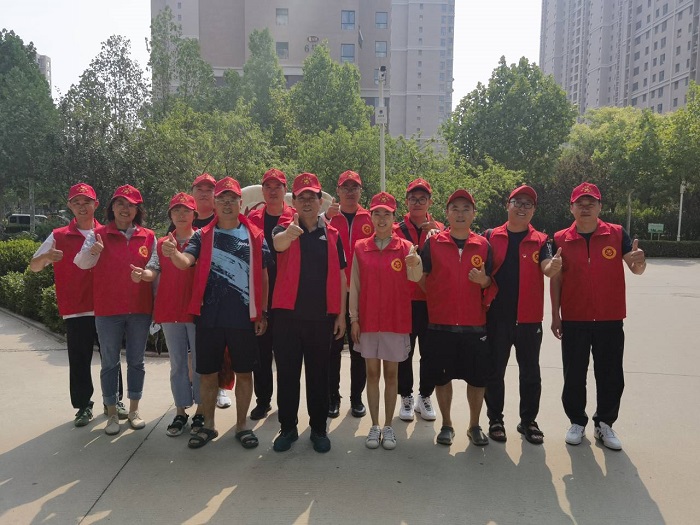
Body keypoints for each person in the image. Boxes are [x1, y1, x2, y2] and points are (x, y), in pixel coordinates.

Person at [164, 177, 269, 449]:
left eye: (232, 199)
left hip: (243, 317)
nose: (226, 203)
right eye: (222, 199)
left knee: (244, 373)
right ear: (215, 203)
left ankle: (242, 426)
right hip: (209, 317)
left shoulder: (254, 235)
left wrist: (263, 312)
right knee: (208, 374)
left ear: (240, 203)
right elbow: (186, 261)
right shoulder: (202, 235)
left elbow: (263, 274)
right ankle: (208, 425)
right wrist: (174, 254)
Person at [550, 182, 646, 451]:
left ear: (600, 207)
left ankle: (605, 423)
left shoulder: (616, 233)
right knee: (574, 374)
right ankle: (576, 421)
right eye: (580, 203)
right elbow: (556, 279)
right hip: (574, 318)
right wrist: (555, 315)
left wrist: (640, 261)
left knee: (610, 374)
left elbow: (636, 268)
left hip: (609, 318)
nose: (585, 208)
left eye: (591, 203)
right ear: (571, 208)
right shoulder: (560, 238)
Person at [30, 183, 125, 426]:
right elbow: (34, 266)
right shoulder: (59, 235)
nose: (82, 207)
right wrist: (46, 256)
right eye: (77, 203)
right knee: (80, 359)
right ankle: (83, 406)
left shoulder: (108, 232)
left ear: (96, 204)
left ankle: (114, 401)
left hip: (107, 306)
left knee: (111, 357)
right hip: (76, 308)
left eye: (87, 202)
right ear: (70, 206)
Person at [271, 173, 346, 453]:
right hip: (287, 318)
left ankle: (318, 429)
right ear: (293, 202)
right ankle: (288, 428)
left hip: (320, 318)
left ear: (319, 201)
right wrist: (289, 235)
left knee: (319, 376)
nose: (306, 202)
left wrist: (340, 315)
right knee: (287, 376)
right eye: (301, 197)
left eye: (311, 197)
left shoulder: (332, 235)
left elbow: (341, 276)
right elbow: (277, 244)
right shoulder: (283, 228)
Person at [74, 185, 156, 436]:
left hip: (140, 310)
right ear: (112, 207)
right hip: (108, 311)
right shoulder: (98, 234)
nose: (125, 209)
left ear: (137, 210)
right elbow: (81, 263)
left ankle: (134, 410)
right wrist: (93, 251)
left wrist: (145, 275)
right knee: (109, 362)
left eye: (131, 205)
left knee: (136, 361)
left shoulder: (148, 236)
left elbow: (155, 269)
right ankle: (111, 412)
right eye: (120, 203)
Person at [483, 185, 561, 445]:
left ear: (534, 210)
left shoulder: (542, 240)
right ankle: (495, 419)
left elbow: (547, 266)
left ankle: (528, 421)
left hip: (529, 319)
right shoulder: (490, 236)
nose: (522, 208)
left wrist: (553, 266)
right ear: (508, 205)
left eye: (528, 204)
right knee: (494, 370)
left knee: (530, 373)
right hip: (497, 317)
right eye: (518, 202)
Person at [420, 189, 496, 447]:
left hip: (475, 325)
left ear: (474, 214)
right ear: (447, 213)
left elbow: (491, 282)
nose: (460, 214)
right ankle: (447, 424)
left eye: (466, 209)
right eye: (455, 209)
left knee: (477, 380)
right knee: (442, 378)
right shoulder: (433, 243)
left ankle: (474, 425)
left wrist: (483, 280)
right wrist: (437, 297)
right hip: (440, 324)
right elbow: (422, 277)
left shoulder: (483, 245)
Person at [349, 192, 423, 450]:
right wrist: (354, 319)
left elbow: (415, 278)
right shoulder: (360, 247)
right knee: (372, 373)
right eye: (377, 213)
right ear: (370, 216)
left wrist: (415, 262)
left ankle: (389, 426)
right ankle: (374, 425)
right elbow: (355, 286)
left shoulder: (405, 247)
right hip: (369, 321)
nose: (381, 219)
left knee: (392, 375)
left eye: (387, 214)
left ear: (394, 217)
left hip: (395, 321)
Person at [131, 192, 204, 437]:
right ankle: (181, 411)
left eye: (186, 210)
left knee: (201, 364)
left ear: (194, 214)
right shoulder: (161, 242)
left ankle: (201, 410)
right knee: (177, 364)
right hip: (170, 309)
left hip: (197, 310)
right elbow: (153, 268)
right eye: (176, 211)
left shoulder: (203, 239)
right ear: (171, 215)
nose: (181, 215)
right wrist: (143, 275)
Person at [170, 173, 233, 409]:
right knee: (196, 350)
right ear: (193, 192)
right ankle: (195, 389)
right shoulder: (181, 219)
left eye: (209, 190)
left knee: (223, 347)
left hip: (219, 294)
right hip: (189, 295)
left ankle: (221, 388)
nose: (204, 194)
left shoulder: (224, 218)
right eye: (200, 189)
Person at [394, 178, 444, 422]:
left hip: (431, 301)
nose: (417, 203)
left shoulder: (441, 229)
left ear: (430, 202)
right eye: (413, 198)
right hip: (404, 300)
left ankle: (425, 395)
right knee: (404, 352)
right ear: (406, 201)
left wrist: (438, 235)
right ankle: (405, 396)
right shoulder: (395, 229)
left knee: (431, 352)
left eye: (422, 198)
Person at [247, 168, 294, 420]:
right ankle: (263, 400)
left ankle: (285, 403)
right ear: (263, 190)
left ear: (285, 191)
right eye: (268, 186)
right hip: (260, 293)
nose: (273, 191)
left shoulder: (295, 218)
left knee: (286, 353)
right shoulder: (252, 218)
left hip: (287, 295)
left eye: (278, 187)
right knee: (261, 352)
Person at [324, 170, 373, 418]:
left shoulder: (371, 218)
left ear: (361, 191)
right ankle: (333, 397)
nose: (350, 192)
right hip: (333, 291)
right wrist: (326, 217)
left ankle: (356, 398)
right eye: (346, 187)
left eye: (355, 188)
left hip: (361, 292)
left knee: (358, 348)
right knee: (332, 348)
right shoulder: (329, 218)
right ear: (338, 191)